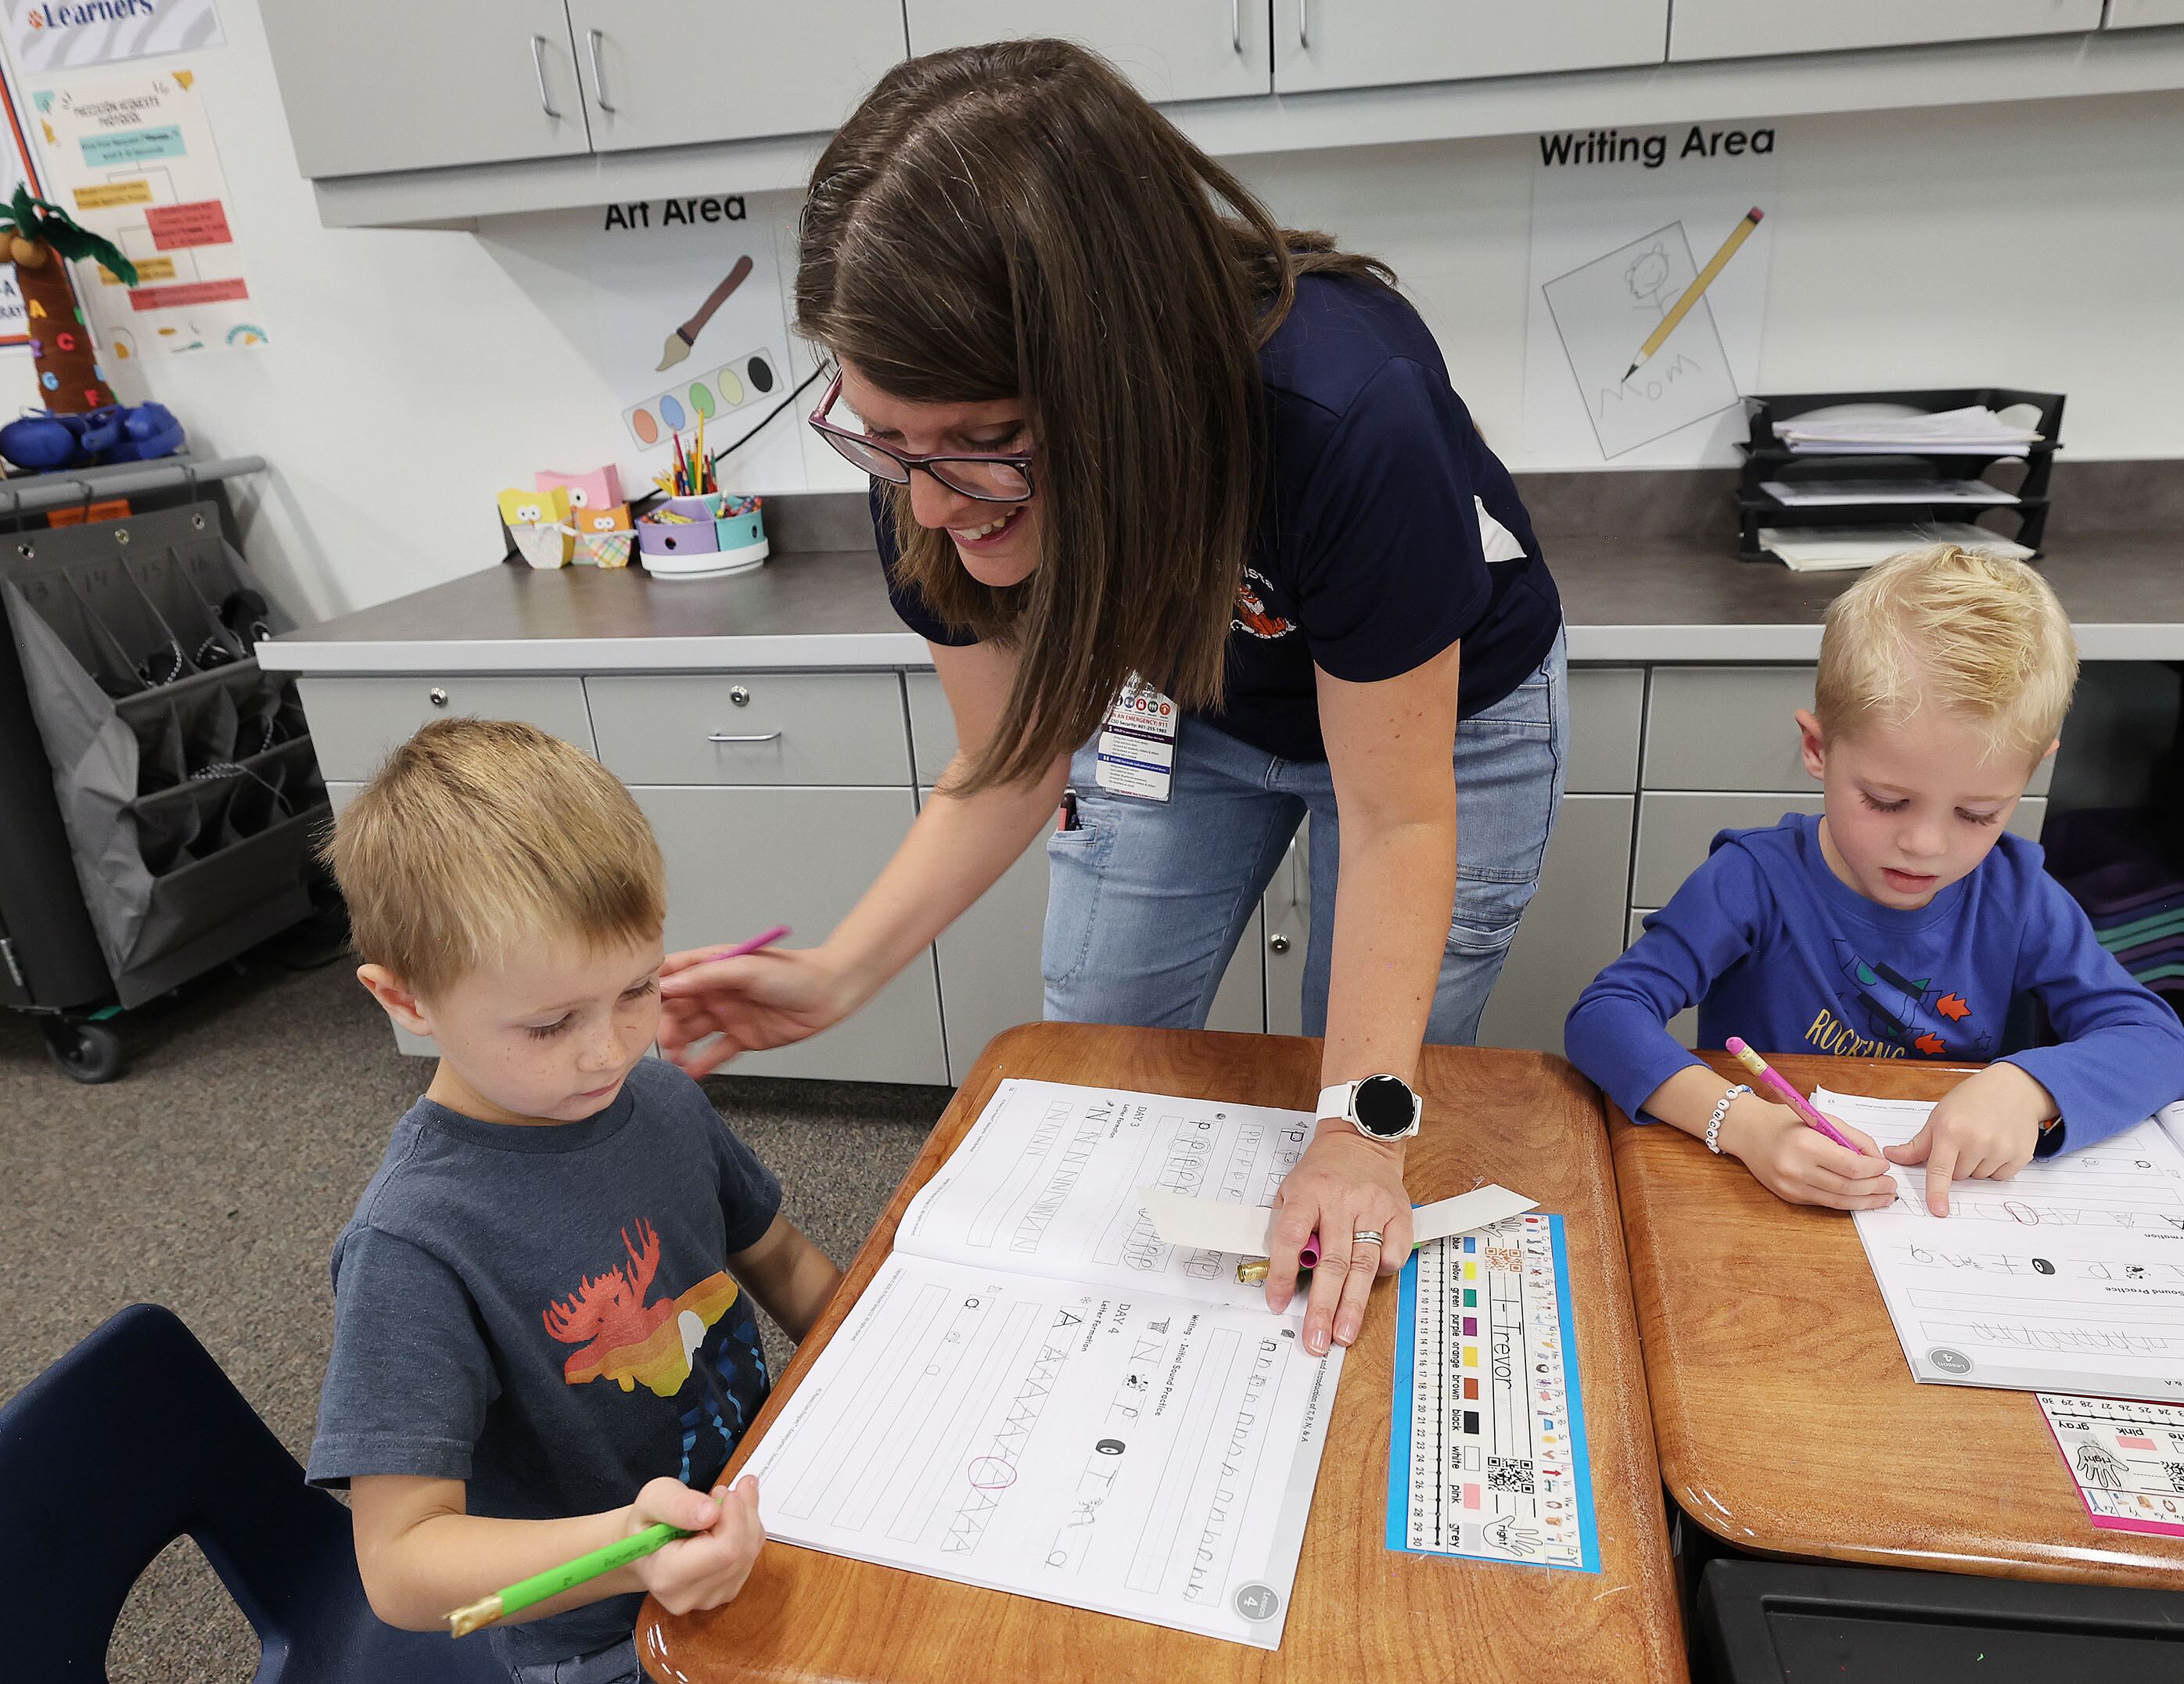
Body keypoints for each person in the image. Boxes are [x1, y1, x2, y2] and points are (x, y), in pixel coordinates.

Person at [659, 40, 1568, 1359]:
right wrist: (841, 969)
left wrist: (1359, 1126)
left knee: (1361, 1096)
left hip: (1437, 729)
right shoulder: (927, 439)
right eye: (885, 437)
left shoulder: (1344, 406)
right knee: (1094, 1029)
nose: (928, 499)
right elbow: (1013, 755)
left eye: (983, 446)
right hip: (1184, 703)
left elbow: (1396, 824)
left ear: (1121, 379)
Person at [307, 719, 840, 1684]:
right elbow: (398, 1564)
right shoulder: (414, 1240)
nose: (610, 1049)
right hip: (607, 1631)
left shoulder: (660, 1096)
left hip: (761, 1506)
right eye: (550, 1023)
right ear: (405, 999)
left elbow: (787, 1262)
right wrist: (628, 1545)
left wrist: (882, 1363)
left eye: (638, 988)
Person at [1565, 545, 2184, 1216]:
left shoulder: (2019, 897)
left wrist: (2027, 1086)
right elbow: (1605, 1017)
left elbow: (2158, 1042)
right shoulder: (1753, 880)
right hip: (1763, 1203)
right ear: (1818, 748)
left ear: (2033, 773)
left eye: (1977, 813)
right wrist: (1745, 1124)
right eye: (1886, 801)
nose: (1924, 844)